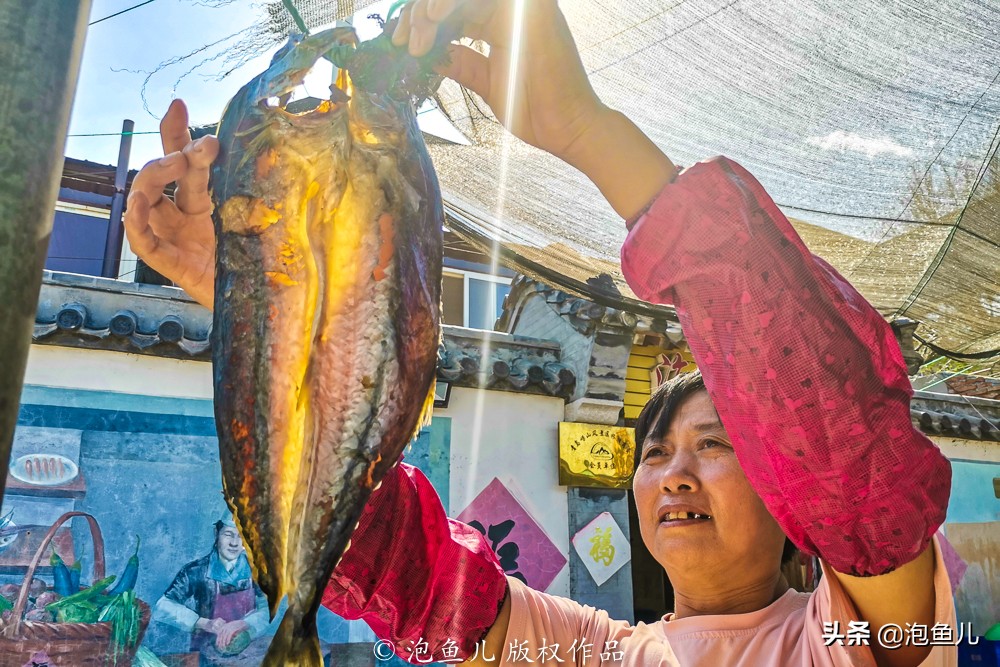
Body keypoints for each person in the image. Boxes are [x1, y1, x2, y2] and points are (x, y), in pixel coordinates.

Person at [124, 1, 957, 665]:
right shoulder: (593, 653)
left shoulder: (866, 640)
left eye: (717, 444)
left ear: (786, 487)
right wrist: (262, 297)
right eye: (655, 451)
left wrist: (583, 129)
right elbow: (396, 570)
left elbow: (834, 434)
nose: (672, 473)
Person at [152, 513, 270, 664]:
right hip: (206, 653)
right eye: (228, 534)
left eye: (241, 535)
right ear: (217, 534)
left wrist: (245, 623)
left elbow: (267, 609)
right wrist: (204, 623)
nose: (234, 543)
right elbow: (162, 607)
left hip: (246, 653)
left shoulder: (256, 571)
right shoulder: (196, 571)